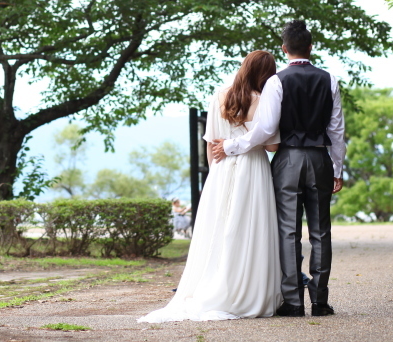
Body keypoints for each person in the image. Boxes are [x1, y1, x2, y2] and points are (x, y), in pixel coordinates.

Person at [211, 20, 345, 317]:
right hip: (320, 159)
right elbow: (337, 131)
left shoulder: (276, 81)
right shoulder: (330, 80)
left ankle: (294, 302)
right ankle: (320, 302)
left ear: (285, 49)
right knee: (321, 231)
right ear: (311, 47)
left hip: (287, 161)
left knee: (288, 231)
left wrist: (232, 146)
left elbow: (266, 128)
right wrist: (338, 168)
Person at [138, 50, 282, 323]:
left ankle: (212, 283)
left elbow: (210, 142)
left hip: (220, 170)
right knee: (247, 228)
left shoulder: (220, 96)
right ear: (267, 74)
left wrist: (214, 175)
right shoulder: (263, 100)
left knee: (217, 230)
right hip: (253, 169)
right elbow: (273, 145)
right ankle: (245, 289)